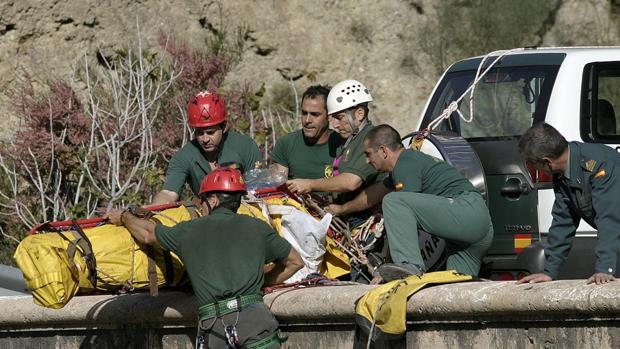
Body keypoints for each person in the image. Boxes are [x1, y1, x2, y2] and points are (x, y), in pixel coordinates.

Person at [107, 168, 303, 348]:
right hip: (257, 324)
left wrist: (124, 216)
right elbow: (295, 262)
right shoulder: (258, 227)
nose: (200, 205)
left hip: (215, 329)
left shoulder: (189, 231)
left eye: (202, 200)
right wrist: (260, 281)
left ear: (214, 200)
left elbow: (147, 233)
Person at [326, 124, 493, 281]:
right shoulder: (407, 165)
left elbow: (403, 216)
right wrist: (341, 209)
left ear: (383, 151)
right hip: (476, 229)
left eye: (369, 154)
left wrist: (394, 269)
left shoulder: (405, 163)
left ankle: (409, 265)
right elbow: (373, 194)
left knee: (393, 200)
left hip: (466, 211)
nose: (367, 161)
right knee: (456, 291)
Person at [517, 123, 620, 285]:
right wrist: (549, 272)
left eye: (533, 165)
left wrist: (604, 268)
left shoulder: (600, 165)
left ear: (546, 162)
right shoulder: (562, 172)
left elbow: (609, 219)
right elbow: (563, 221)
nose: (535, 170)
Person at [286, 80, 382, 223]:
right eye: (333, 118)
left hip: (366, 221)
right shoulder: (350, 141)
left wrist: (309, 184)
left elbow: (351, 182)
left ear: (359, 114)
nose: (335, 124)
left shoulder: (371, 139)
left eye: (340, 118)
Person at [151, 91, 262, 205]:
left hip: (243, 210)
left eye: (210, 132)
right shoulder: (184, 156)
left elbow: (259, 187)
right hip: (206, 214)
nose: (205, 139)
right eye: (199, 133)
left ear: (223, 127)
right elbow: (168, 193)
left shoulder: (245, 146)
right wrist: (153, 212)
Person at [270, 85, 343, 187]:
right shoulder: (286, 144)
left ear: (329, 116)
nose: (307, 120)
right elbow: (278, 188)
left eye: (315, 114)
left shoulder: (344, 145)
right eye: (304, 113)